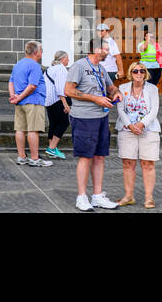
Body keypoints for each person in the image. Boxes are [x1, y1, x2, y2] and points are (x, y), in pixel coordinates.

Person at [65, 41, 121, 211]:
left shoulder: (101, 69)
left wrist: (116, 92)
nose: (108, 51)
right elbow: (68, 90)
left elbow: (110, 87)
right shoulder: (79, 66)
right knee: (85, 157)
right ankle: (81, 197)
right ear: (96, 50)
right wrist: (95, 98)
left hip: (101, 117)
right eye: (105, 48)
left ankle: (97, 196)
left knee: (99, 156)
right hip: (84, 118)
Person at [115, 61, 160, 208]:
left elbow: (154, 110)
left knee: (148, 163)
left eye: (141, 71)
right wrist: (130, 125)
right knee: (128, 163)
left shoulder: (153, 89)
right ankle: (128, 196)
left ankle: (149, 197)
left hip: (148, 129)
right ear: (130, 73)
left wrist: (141, 124)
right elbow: (120, 109)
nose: (139, 74)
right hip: (127, 129)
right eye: (135, 71)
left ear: (145, 73)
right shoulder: (122, 88)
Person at [8, 41, 52, 167]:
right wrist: (20, 97)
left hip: (20, 102)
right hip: (33, 101)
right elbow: (32, 86)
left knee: (20, 129)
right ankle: (34, 158)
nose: (42, 52)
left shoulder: (18, 64)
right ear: (36, 52)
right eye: (41, 50)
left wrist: (14, 97)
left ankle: (21, 156)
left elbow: (10, 82)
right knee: (33, 130)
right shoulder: (35, 65)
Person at [43, 50, 71, 160]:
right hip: (57, 100)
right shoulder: (61, 69)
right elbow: (60, 89)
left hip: (48, 100)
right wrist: (66, 104)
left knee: (53, 124)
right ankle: (52, 148)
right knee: (64, 122)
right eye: (67, 58)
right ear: (63, 59)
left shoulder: (49, 69)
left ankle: (52, 149)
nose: (68, 60)